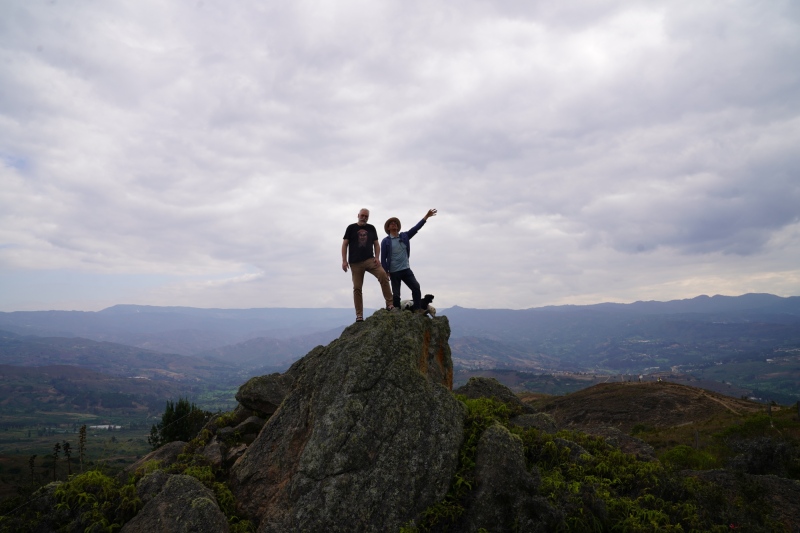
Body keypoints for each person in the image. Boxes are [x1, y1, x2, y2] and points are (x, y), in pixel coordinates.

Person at [342, 208, 394, 322]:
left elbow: (376, 244)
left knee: (383, 275)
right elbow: (345, 244)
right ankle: (359, 315)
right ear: (358, 215)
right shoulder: (351, 228)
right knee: (357, 288)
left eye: (366, 216)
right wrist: (344, 261)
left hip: (370, 260)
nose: (364, 217)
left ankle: (390, 304)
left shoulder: (371, 228)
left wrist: (377, 257)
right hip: (355, 263)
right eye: (362, 215)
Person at [380, 208, 437, 312]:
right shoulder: (385, 241)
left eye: (395, 223)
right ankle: (396, 311)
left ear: (398, 226)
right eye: (391, 223)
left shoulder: (405, 236)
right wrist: (386, 272)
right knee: (396, 294)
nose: (394, 224)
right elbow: (383, 258)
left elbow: (416, 228)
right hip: (394, 271)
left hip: (406, 269)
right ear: (388, 228)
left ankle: (417, 309)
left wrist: (426, 217)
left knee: (416, 286)